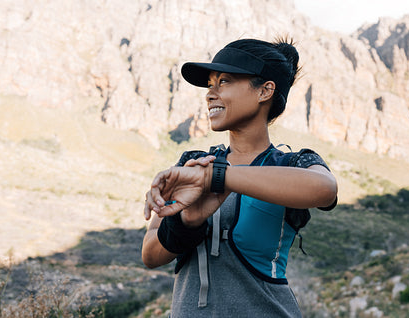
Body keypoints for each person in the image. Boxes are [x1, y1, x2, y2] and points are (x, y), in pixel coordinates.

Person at [142, 38, 338, 317]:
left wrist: (219, 179)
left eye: (224, 81)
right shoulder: (192, 165)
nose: (210, 94)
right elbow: (150, 254)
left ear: (265, 90)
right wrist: (188, 221)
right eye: (210, 84)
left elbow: (325, 189)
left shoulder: (291, 163)